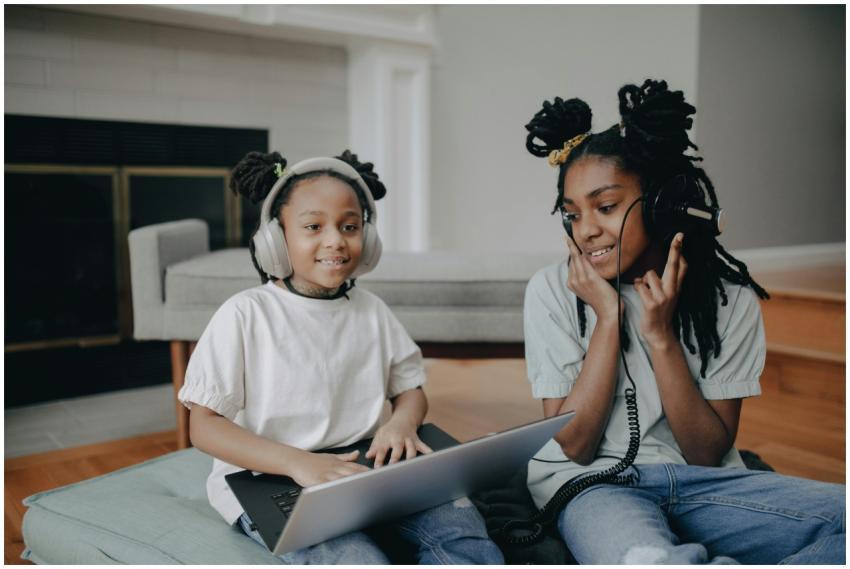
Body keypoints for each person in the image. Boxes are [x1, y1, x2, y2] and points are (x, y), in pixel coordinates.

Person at [520, 79, 845, 564]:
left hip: (702, 483)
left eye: (605, 207)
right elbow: (574, 444)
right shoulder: (552, 290)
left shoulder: (728, 299)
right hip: (592, 488)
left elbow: (705, 452)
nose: (586, 230)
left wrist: (659, 336)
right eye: (572, 214)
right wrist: (608, 319)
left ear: (660, 204)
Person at [177, 150, 504, 565]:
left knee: (462, 532)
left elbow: (410, 391)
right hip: (271, 476)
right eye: (314, 226)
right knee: (353, 558)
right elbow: (203, 428)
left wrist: (402, 423)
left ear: (366, 239)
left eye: (349, 227)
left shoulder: (372, 310)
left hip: (367, 468)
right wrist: (298, 463)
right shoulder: (244, 314)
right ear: (276, 238)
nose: (335, 240)